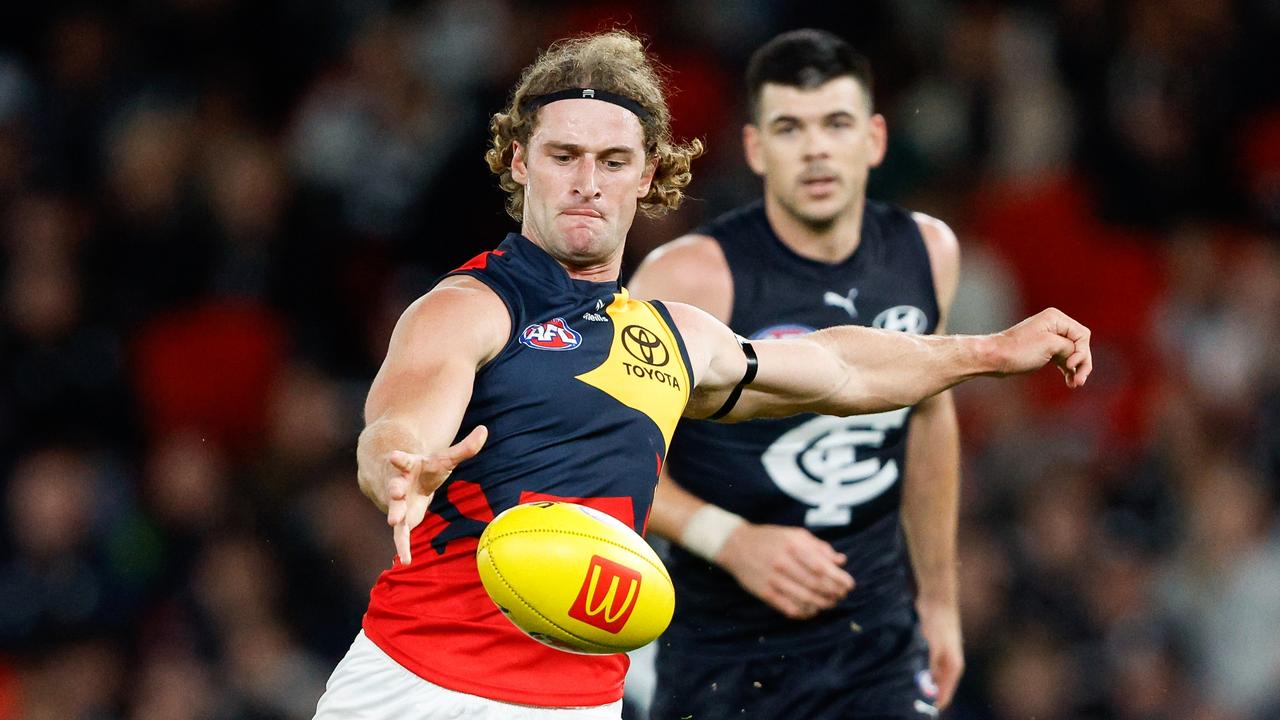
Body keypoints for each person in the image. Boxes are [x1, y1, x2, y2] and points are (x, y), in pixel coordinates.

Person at [312, 30, 1091, 720]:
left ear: (648, 175)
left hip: (580, 705)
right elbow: (399, 424)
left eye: (613, 160)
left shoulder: (673, 336)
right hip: (417, 688)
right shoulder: (468, 307)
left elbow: (839, 369)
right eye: (564, 156)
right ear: (520, 161)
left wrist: (986, 352)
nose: (588, 181)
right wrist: (399, 465)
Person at [627, 29, 968, 719]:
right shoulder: (690, 277)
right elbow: (608, 458)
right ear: (755, 148)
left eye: (835, 124)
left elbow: (929, 417)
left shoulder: (928, 251)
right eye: (789, 127)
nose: (815, 148)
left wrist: (939, 600)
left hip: (875, 643)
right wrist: (732, 540)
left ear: (873, 139)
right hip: (723, 652)